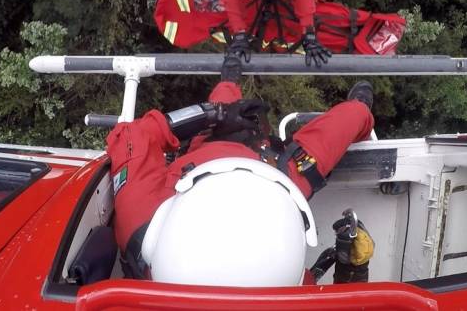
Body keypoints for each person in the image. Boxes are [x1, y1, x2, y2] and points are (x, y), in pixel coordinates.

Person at [105, 56, 374, 286]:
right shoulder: (138, 223)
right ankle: (228, 84)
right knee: (352, 116)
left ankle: (228, 82)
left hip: (225, 160)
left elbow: (128, 135)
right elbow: (132, 136)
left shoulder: (139, 222)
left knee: (226, 104)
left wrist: (209, 114)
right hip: (270, 168)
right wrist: (353, 269)